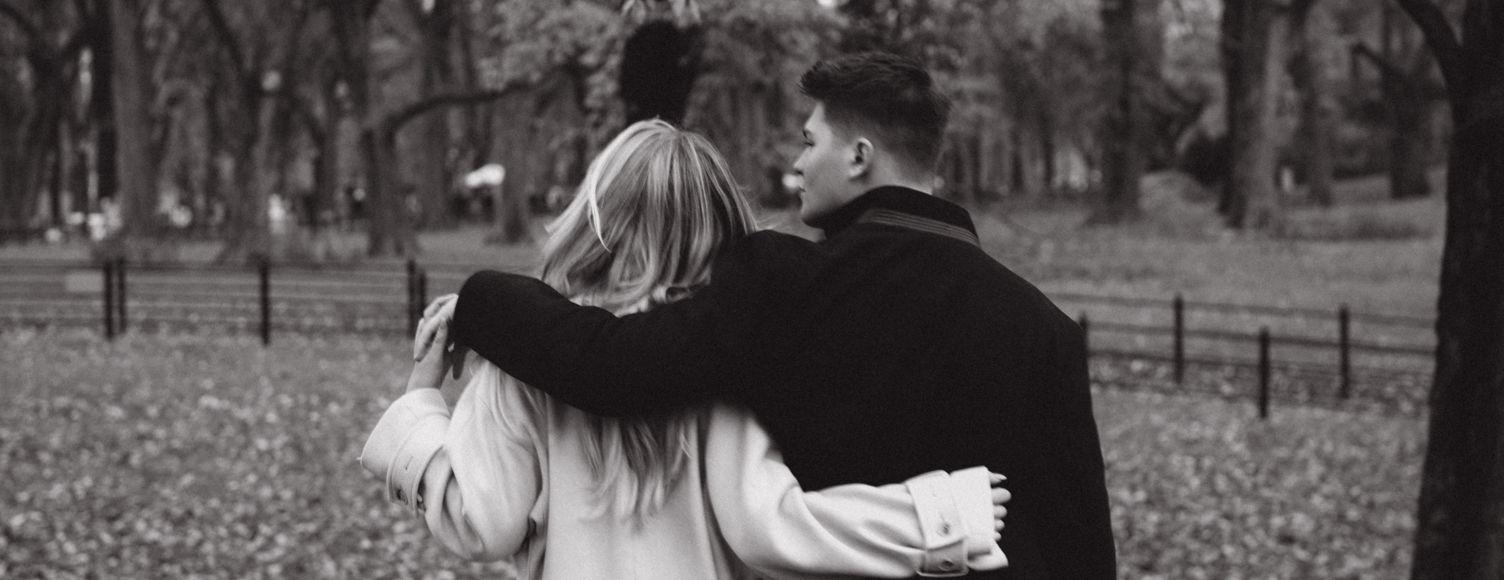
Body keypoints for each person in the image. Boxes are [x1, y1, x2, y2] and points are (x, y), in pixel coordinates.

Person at [419, 53, 1117, 579]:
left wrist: (479, 300)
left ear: (859, 156)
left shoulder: (783, 283)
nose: (797, 163)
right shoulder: (1046, 331)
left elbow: (611, 364)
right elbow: (1081, 542)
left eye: (810, 142)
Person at [363, 120, 1011, 579]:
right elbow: (767, 526)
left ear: (596, 215)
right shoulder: (727, 352)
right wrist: (941, 518)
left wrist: (420, 401)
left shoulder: (523, 353)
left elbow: (485, 522)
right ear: (721, 222)